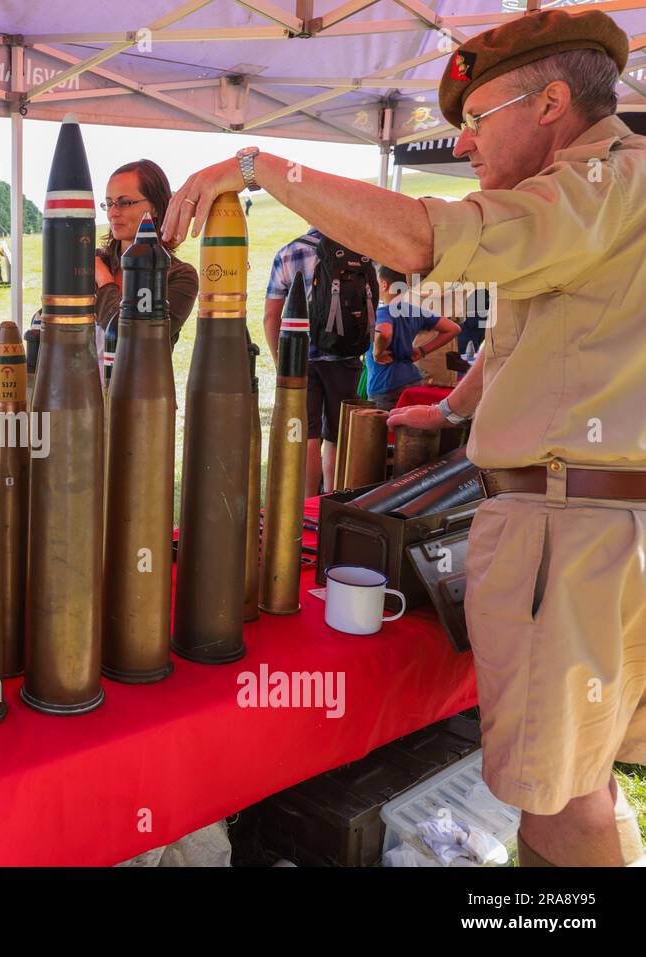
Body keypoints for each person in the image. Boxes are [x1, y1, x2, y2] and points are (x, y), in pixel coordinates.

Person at [163, 8, 646, 867]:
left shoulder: (596, 185)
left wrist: (259, 164)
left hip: (569, 541)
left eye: (476, 122)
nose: (464, 147)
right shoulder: (603, 201)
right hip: (605, 528)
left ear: (551, 103)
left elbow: (429, 237)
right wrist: (452, 413)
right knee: (587, 774)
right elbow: (523, 341)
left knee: (558, 806)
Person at [264, 229, 374, 495]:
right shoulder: (360, 248)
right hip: (346, 356)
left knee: (307, 434)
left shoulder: (289, 252)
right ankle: (333, 502)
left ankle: (307, 506)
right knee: (337, 436)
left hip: (301, 358)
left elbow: (271, 316)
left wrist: (282, 362)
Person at [93, 159, 199, 373]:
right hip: (81, 400)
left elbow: (132, 343)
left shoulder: (179, 276)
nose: (113, 212)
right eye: (109, 203)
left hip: (143, 400)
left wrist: (104, 282)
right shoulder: (95, 262)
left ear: (156, 207)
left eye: (125, 202)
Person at [365, 266, 460, 410]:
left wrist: (378, 353)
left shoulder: (384, 311)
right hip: (413, 380)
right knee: (409, 430)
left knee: (384, 430)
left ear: (384, 285)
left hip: (385, 385)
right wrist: (422, 350)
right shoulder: (414, 311)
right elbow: (453, 328)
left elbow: (385, 332)